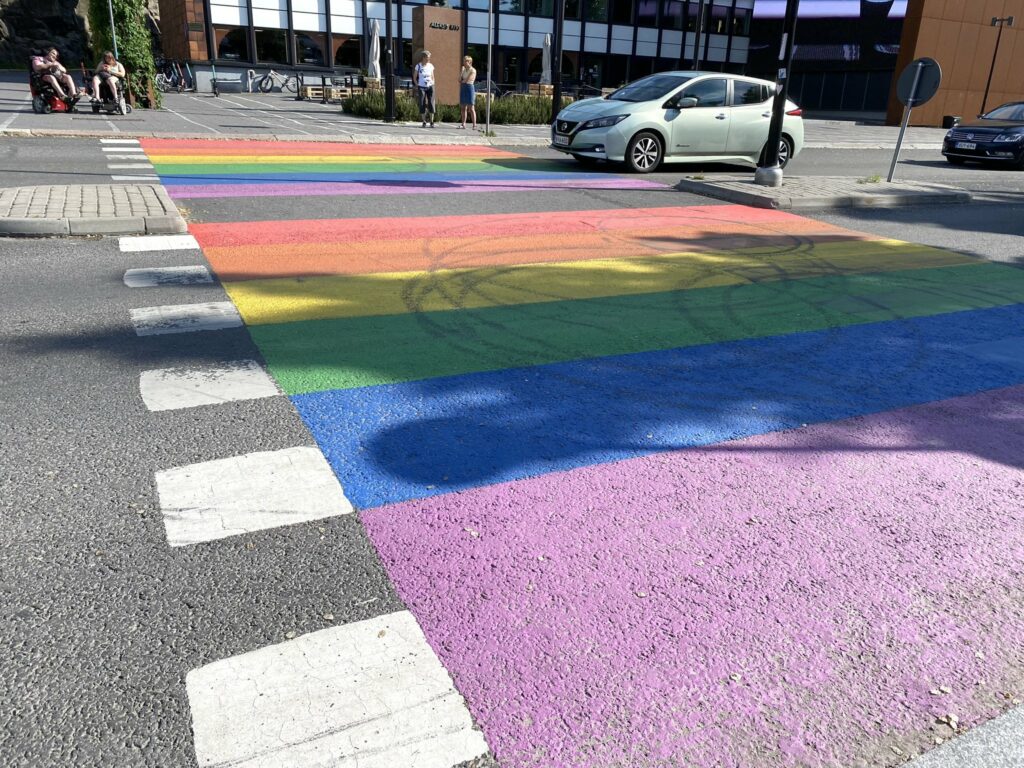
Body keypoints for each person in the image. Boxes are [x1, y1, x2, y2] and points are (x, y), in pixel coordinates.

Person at [414, 51, 436, 128]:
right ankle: (424, 121)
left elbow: (433, 76)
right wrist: (417, 85)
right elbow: (415, 77)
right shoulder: (418, 66)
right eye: (428, 57)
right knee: (422, 103)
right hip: (421, 87)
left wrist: (433, 83)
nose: (429, 59)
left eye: (429, 57)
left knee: (431, 103)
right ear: (423, 58)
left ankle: (432, 121)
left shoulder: (430, 66)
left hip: (430, 86)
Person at [458, 56, 477, 130]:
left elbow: (467, 80)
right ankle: (463, 124)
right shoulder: (463, 70)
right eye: (463, 61)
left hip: (469, 88)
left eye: (465, 61)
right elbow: (459, 79)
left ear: (470, 62)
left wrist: (462, 81)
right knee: (463, 107)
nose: (464, 62)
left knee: (471, 108)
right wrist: (461, 71)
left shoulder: (473, 70)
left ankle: (474, 125)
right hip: (463, 88)